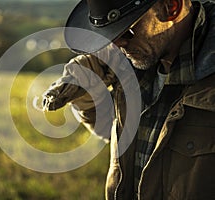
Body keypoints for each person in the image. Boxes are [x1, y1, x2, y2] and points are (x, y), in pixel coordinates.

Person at [42, 0, 215, 199]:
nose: (117, 44)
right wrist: (88, 97)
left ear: (171, 7)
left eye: (127, 31)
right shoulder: (131, 66)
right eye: (109, 34)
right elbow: (117, 135)